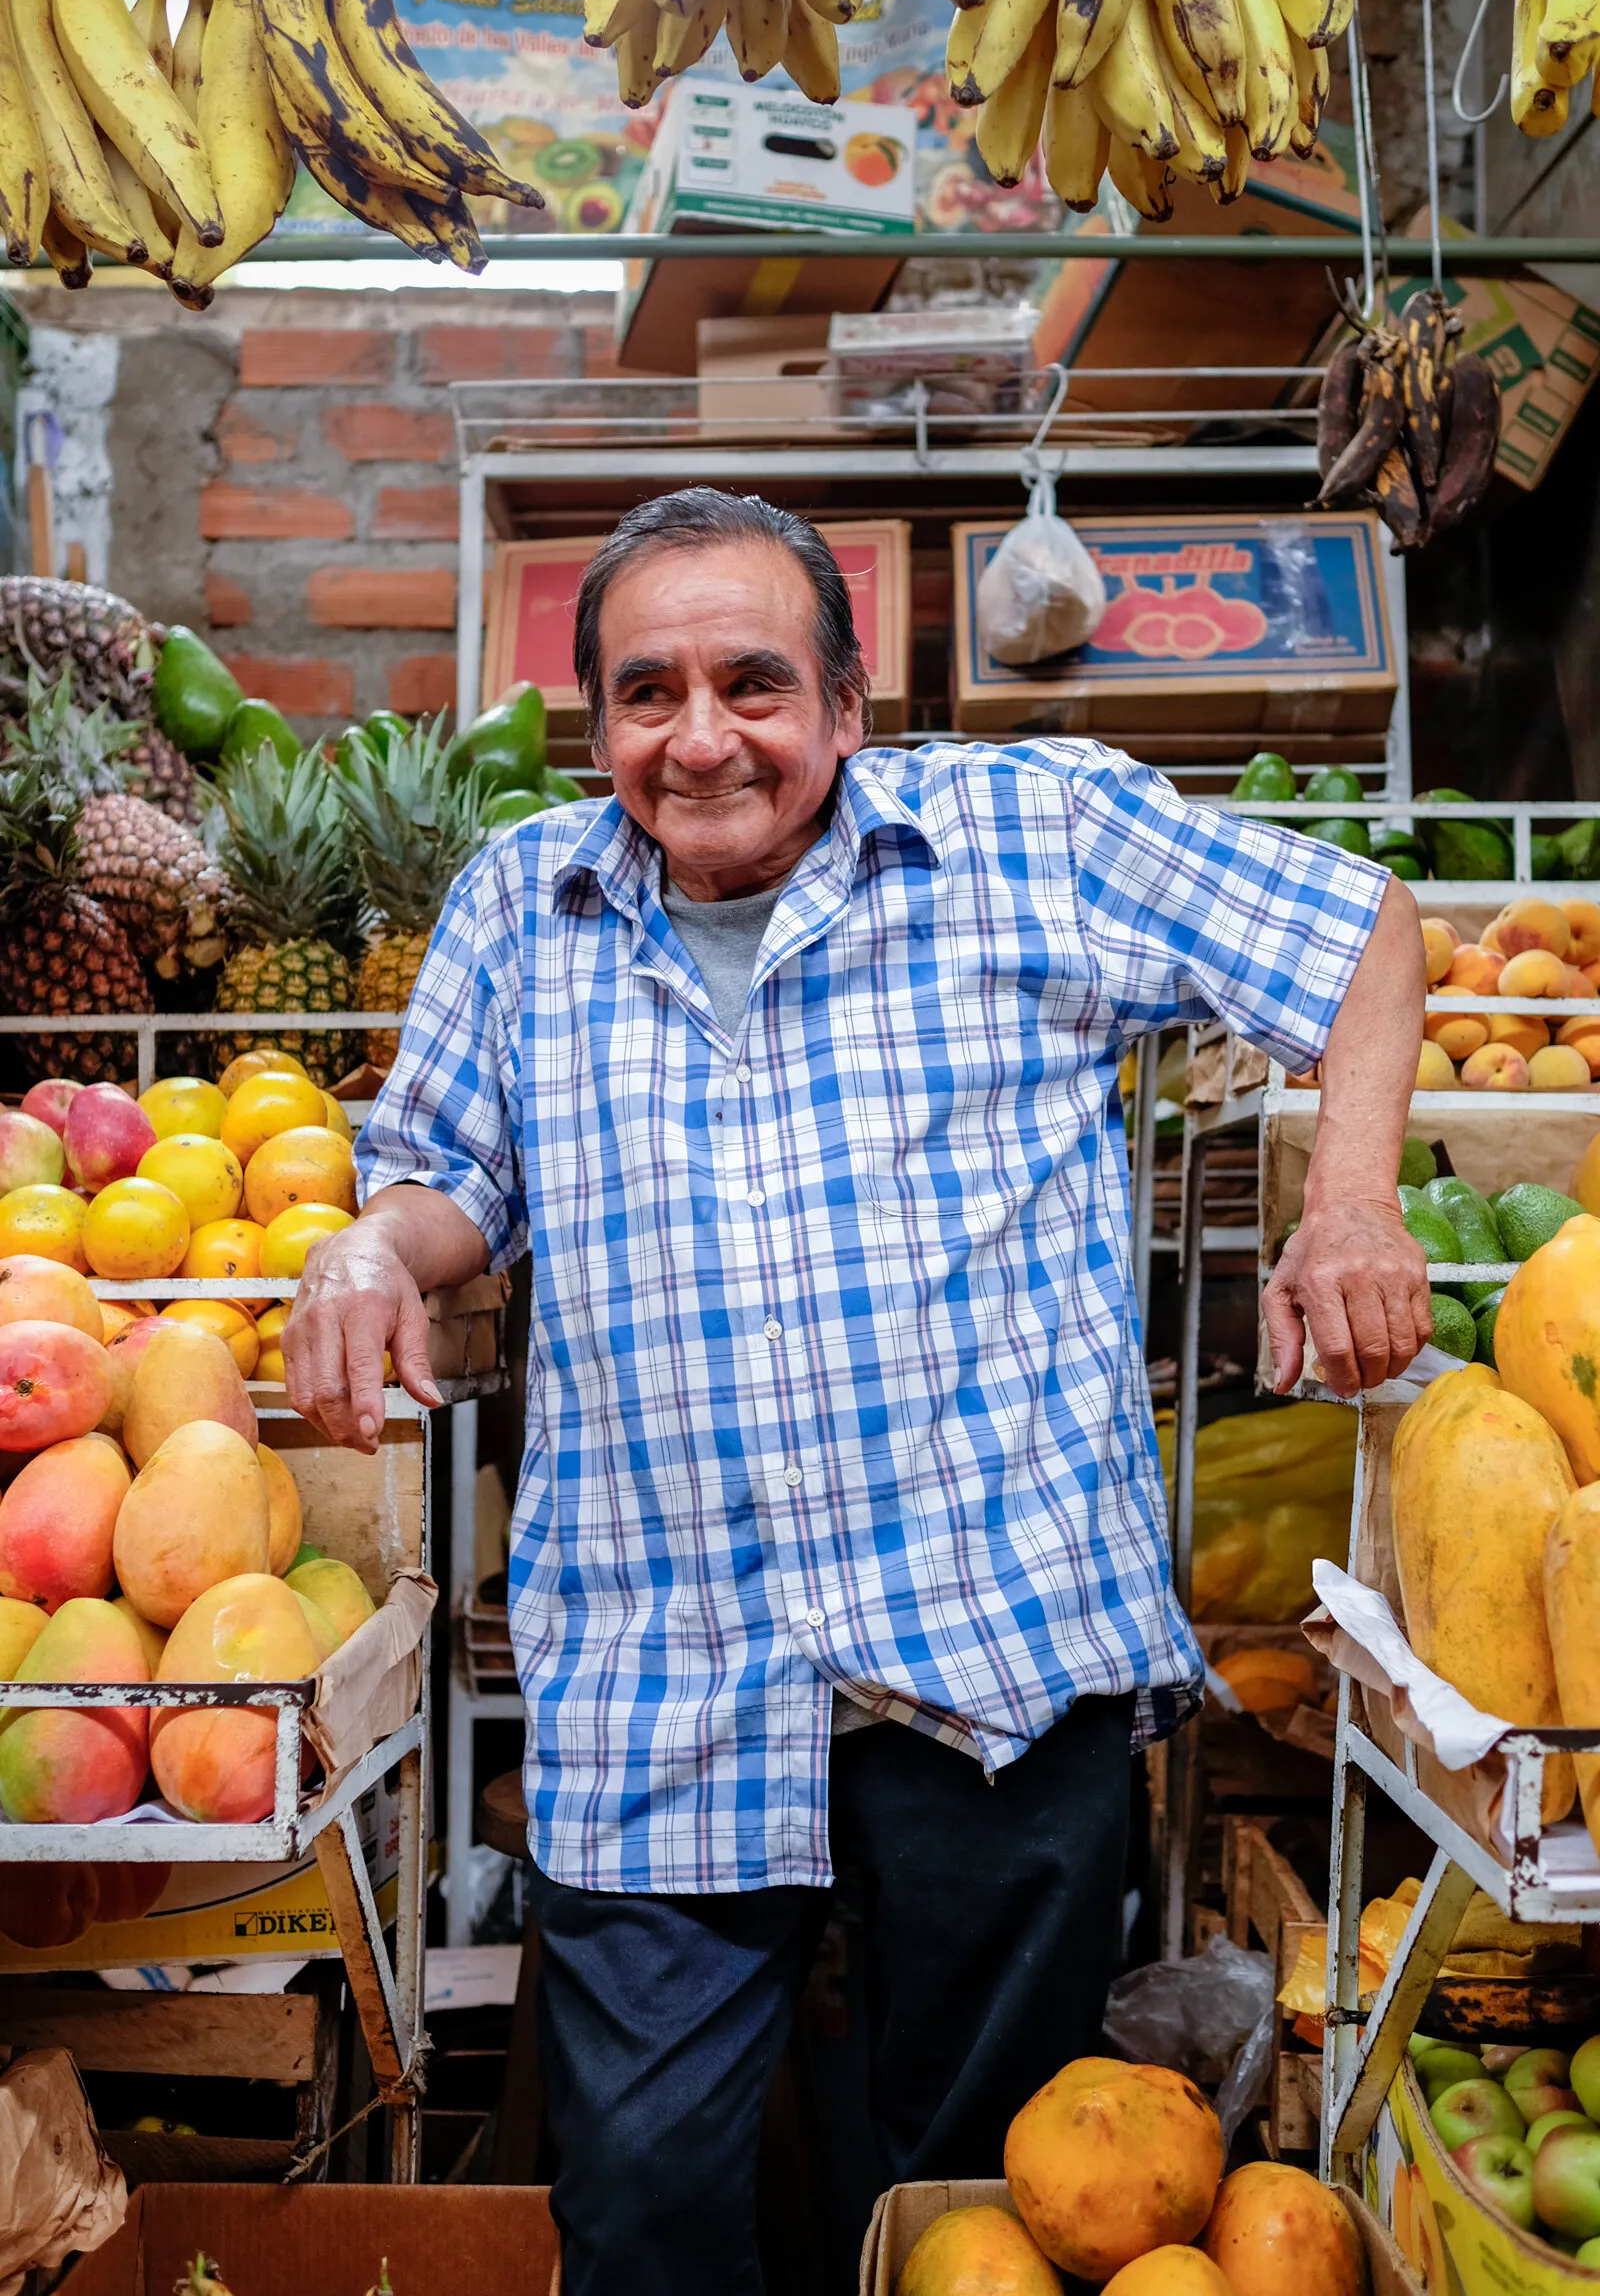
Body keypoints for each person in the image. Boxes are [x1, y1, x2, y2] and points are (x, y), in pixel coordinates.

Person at [285, 487, 1429, 2294]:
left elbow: (1359, 932)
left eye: (753, 682)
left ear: (846, 702)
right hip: (665, 1666)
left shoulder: (1032, 833)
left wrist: (1351, 1203)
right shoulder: (522, 900)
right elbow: (449, 1178)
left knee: (984, 2217)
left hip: (993, 1647)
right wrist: (365, 1252)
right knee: (644, 2217)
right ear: (596, 723)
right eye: (648, 693)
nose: (702, 737)